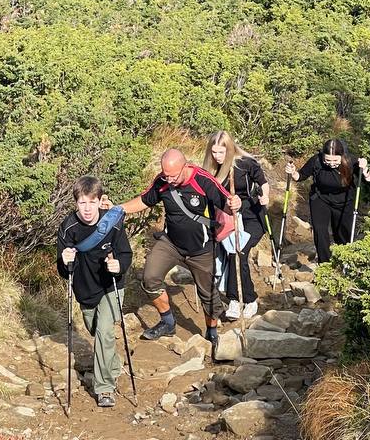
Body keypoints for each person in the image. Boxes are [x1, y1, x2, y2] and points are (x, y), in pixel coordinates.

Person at [106, 148, 241, 345]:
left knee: (208, 293)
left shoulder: (202, 180)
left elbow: (227, 204)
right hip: (171, 243)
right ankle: (167, 323)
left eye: (173, 176)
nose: (169, 180)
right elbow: (145, 200)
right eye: (166, 175)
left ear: (185, 166)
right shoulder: (163, 180)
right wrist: (118, 209)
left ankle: (212, 331)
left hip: (201, 248)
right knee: (150, 278)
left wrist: (234, 204)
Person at [57, 176, 133, 408]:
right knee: (93, 329)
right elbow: (64, 271)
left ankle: (104, 388)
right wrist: (65, 261)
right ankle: (112, 362)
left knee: (104, 331)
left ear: (101, 201)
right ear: (76, 203)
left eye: (92, 202)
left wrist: (118, 265)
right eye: (82, 203)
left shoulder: (113, 224)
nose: (87, 209)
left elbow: (125, 254)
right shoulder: (68, 228)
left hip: (111, 285)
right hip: (85, 289)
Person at [202, 130, 268, 320]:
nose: (217, 156)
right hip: (227, 219)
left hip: (252, 215)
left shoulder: (245, 163)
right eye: (214, 152)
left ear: (230, 149)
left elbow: (262, 183)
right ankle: (235, 299)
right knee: (232, 254)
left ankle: (249, 300)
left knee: (240, 252)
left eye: (221, 152)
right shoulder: (210, 170)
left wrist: (265, 196)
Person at [284, 137, 370, 265]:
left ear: (342, 156)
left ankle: (344, 261)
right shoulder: (316, 160)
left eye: (335, 160)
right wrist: (292, 172)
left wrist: (365, 170)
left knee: (342, 233)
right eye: (327, 160)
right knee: (320, 231)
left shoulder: (351, 161)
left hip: (344, 201)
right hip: (320, 198)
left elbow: (369, 181)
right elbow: (300, 176)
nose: (331, 163)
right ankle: (324, 263)